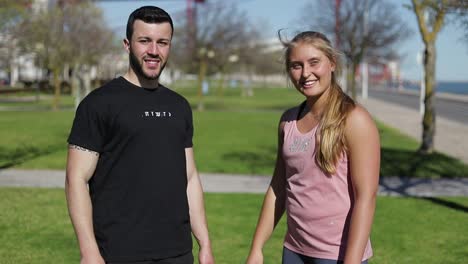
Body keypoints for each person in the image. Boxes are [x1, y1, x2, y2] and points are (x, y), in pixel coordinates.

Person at [65, 6, 214, 264]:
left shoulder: (179, 106)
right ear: (127, 44)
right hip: (118, 252)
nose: (154, 51)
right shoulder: (99, 104)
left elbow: (189, 177)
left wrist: (205, 244)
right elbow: (76, 179)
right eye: (144, 41)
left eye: (162, 42)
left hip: (178, 253)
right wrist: (89, 251)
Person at [246, 31, 380, 264]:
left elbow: (365, 198)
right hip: (294, 251)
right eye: (296, 66)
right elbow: (278, 187)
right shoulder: (288, 121)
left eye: (314, 62)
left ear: (332, 63)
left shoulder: (355, 119)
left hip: (337, 255)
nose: (305, 73)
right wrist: (257, 248)